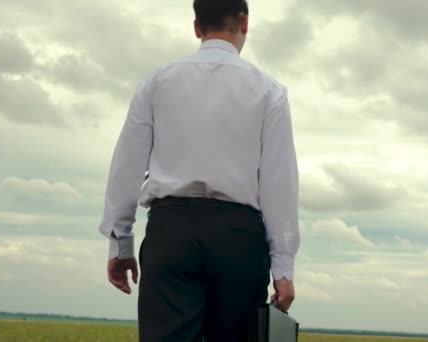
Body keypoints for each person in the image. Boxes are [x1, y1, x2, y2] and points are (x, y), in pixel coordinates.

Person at [98, 0, 300, 340]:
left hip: (171, 233)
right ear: (244, 23)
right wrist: (283, 268)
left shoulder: (157, 82)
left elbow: (126, 168)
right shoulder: (271, 92)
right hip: (240, 239)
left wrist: (121, 245)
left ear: (197, 27)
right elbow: (279, 185)